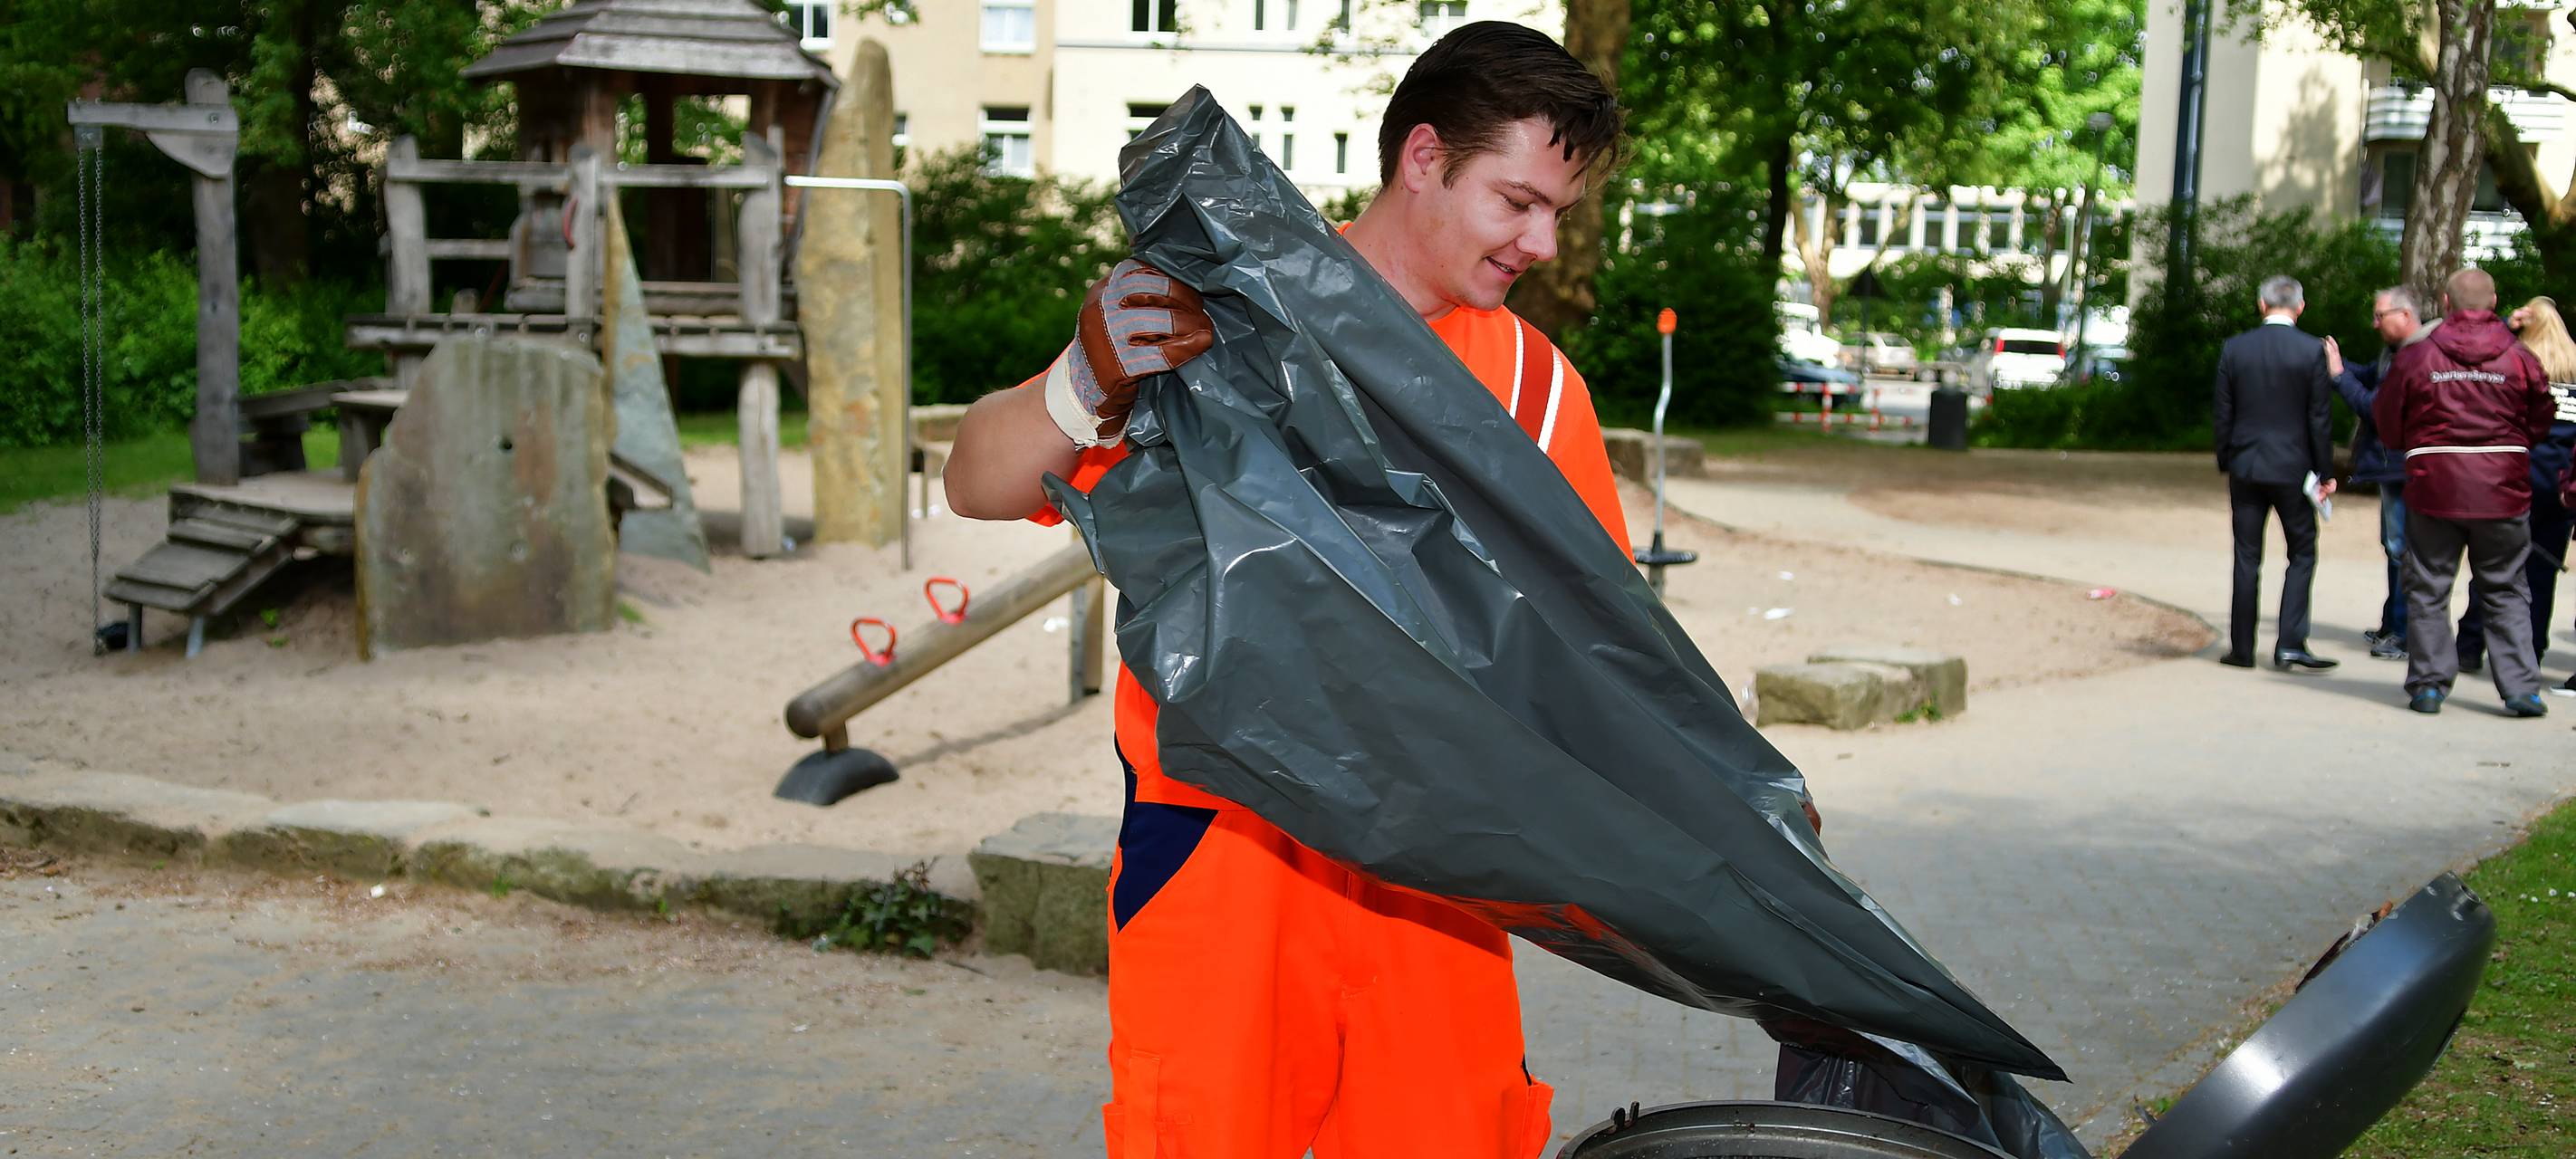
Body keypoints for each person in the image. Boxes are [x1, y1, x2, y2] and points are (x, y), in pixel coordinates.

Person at [944, 24, 1628, 1156]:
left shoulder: (1540, 390)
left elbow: (1607, 659)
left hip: (1440, 877)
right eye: (1517, 201)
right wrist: (1085, 378)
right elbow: (977, 478)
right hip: (1227, 849)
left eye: (1557, 211)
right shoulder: (1215, 317)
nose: (1543, 241)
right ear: (1423, 158)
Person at [2374, 268, 2558, 716]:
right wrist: (2510, 451)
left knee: (2429, 588)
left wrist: (2414, 447)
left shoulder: (2418, 356)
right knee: (2507, 589)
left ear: (2446, 301)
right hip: (2502, 490)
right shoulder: (2520, 357)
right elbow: (2541, 417)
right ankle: (2520, 689)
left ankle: (2430, 685)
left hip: (2435, 486)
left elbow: (2388, 417)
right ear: (2493, 301)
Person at [2213, 274, 2339, 671]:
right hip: (2294, 466)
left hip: (2247, 466)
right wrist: (2325, 470)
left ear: (2261, 304)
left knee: (2247, 556)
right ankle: (2290, 642)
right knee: (2302, 552)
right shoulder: (2310, 351)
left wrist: (2226, 458)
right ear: (2300, 307)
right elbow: (2319, 417)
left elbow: (2223, 412)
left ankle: (2242, 649)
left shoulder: (2236, 348)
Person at [2455, 295, 2576, 682]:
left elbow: (2478, 359)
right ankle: (2531, 652)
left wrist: (2507, 323)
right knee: (2542, 574)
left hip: (2514, 479)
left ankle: (2471, 645)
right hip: (2561, 487)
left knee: (2493, 567)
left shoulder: (2517, 365)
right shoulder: (2573, 372)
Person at [2324, 287, 2426, 661]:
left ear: (2405, 315)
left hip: (2404, 466)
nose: (2375, 323)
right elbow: (2367, 375)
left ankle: (2403, 633)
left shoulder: (2415, 356)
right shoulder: (2394, 352)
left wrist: (2337, 376)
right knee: (2394, 547)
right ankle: (2392, 624)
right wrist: (2336, 361)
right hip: (2393, 467)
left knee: (2402, 550)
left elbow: (2375, 407)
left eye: (2380, 315)